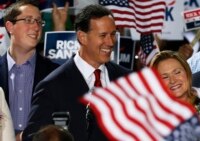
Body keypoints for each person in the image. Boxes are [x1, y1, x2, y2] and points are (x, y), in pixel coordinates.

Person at [22, 4, 132, 141]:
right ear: (82, 37)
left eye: (113, 34)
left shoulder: (128, 79)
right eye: (103, 35)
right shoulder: (52, 87)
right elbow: (33, 137)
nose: (110, 42)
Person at [0, 1, 59, 140]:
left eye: (39, 21)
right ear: (10, 26)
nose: (36, 26)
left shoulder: (56, 74)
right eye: (28, 20)